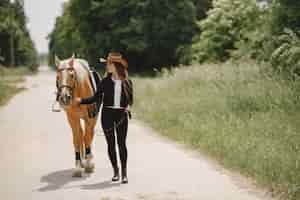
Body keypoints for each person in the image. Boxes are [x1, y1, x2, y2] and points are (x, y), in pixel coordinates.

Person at [75, 52, 133, 184]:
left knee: (122, 144)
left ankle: (124, 173)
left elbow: (130, 99)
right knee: (111, 145)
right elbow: (95, 98)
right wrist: (80, 101)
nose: (107, 66)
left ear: (115, 65)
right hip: (107, 115)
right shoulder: (105, 82)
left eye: (108, 64)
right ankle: (116, 172)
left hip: (121, 116)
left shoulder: (127, 82)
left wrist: (128, 106)